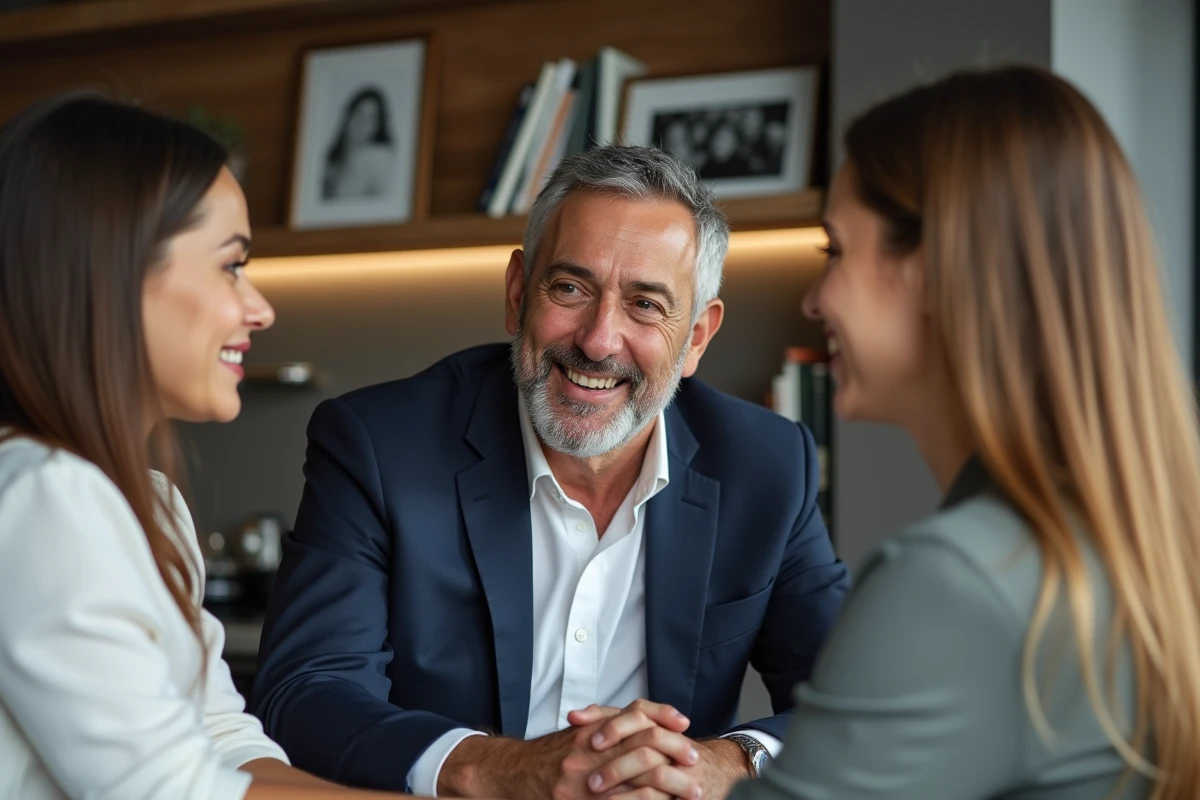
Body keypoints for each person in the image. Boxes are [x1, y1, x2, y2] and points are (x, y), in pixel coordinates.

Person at [253, 145, 850, 799]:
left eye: (646, 305)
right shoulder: (378, 445)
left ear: (697, 338)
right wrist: (500, 770)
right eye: (570, 289)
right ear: (518, 294)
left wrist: (726, 764)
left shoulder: (767, 466)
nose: (598, 340)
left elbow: (855, 700)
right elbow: (306, 691)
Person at [728, 65, 1200, 800]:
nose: (814, 301)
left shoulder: (954, 582)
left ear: (936, 269)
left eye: (835, 252)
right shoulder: (1131, 544)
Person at [0, 92, 417, 799]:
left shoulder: (149, 505)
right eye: (231, 266)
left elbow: (223, 738)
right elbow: (177, 789)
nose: (261, 308)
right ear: (114, 274)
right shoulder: (43, 495)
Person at [321, 87, 396, 201]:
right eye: (359, 113)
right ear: (348, 115)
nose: (363, 122)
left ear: (378, 126)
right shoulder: (327, 162)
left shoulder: (379, 158)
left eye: (371, 117)